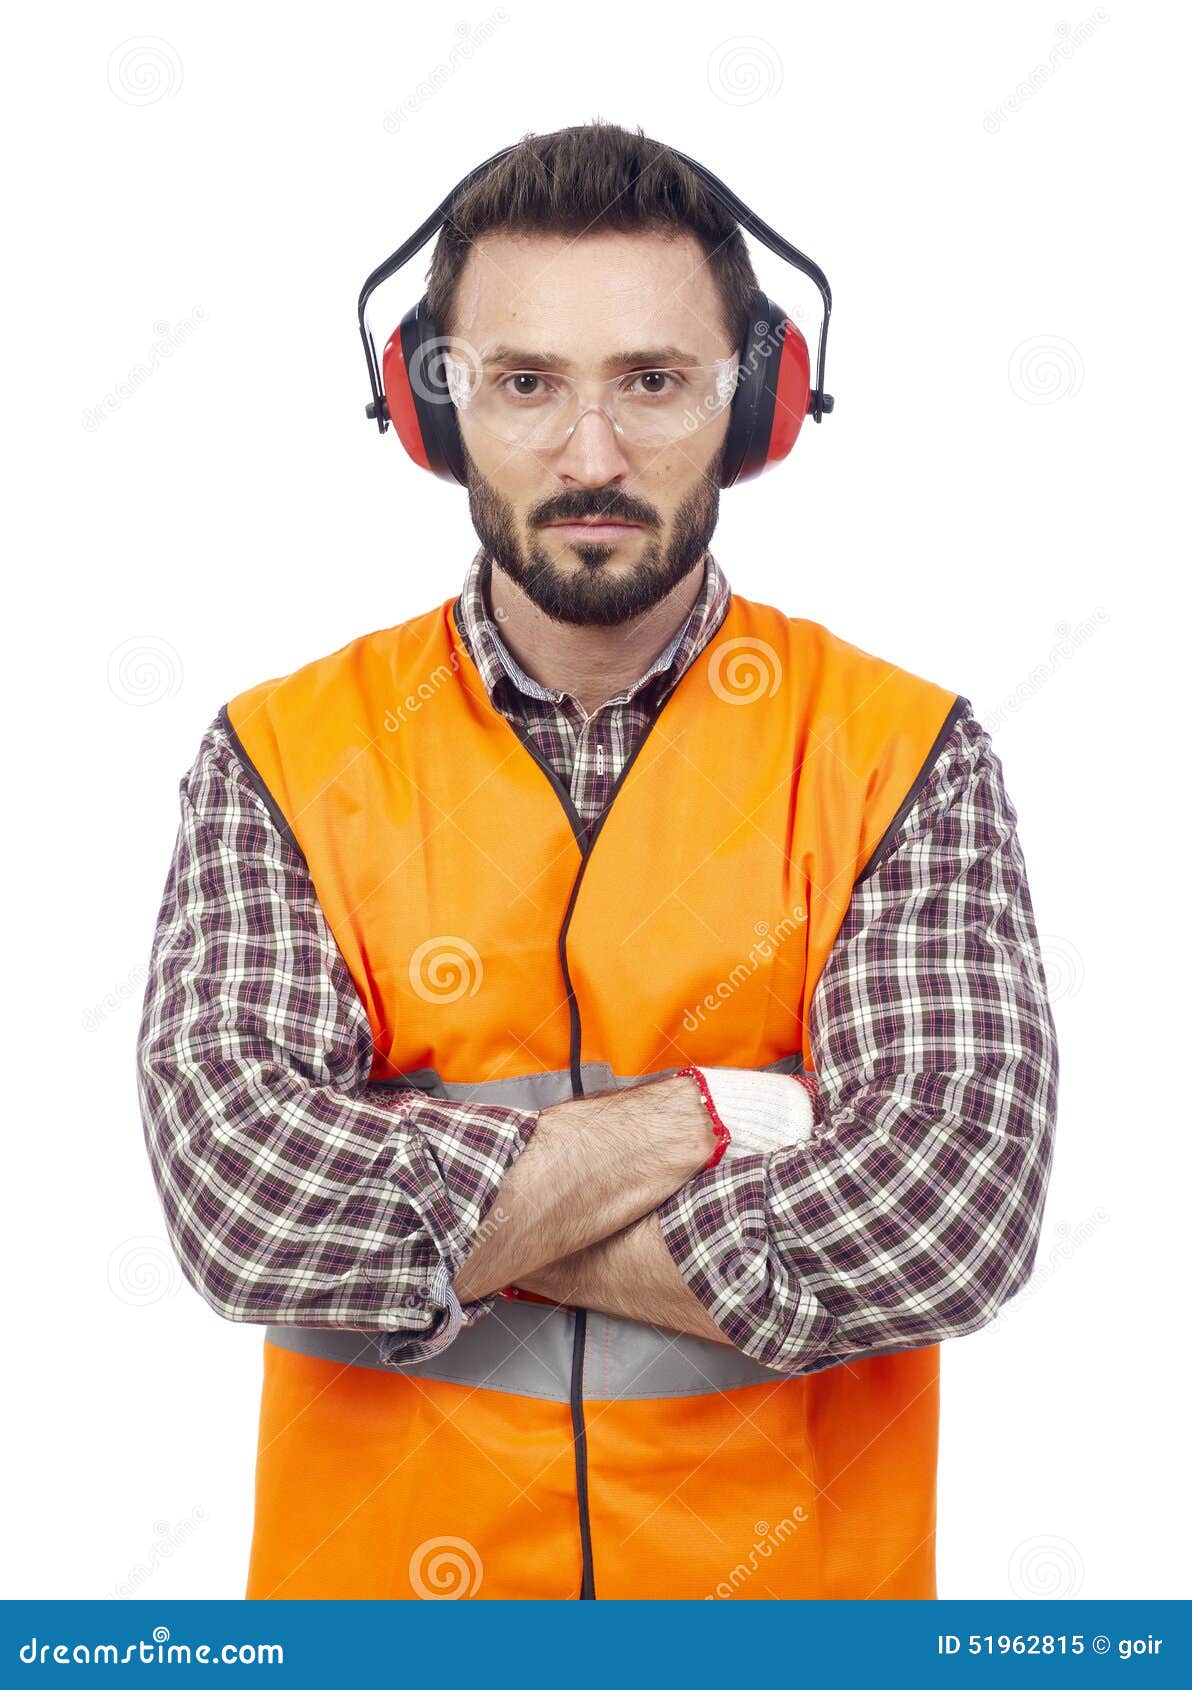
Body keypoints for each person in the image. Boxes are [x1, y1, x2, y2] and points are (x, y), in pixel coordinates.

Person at [136, 121, 1058, 1601]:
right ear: (426, 410)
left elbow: (949, 1210)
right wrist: (709, 1115)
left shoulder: (900, 754)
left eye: (652, 380)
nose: (591, 455)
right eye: (524, 384)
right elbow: (247, 1205)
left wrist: (430, 1219)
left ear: (759, 402)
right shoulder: (284, 758)